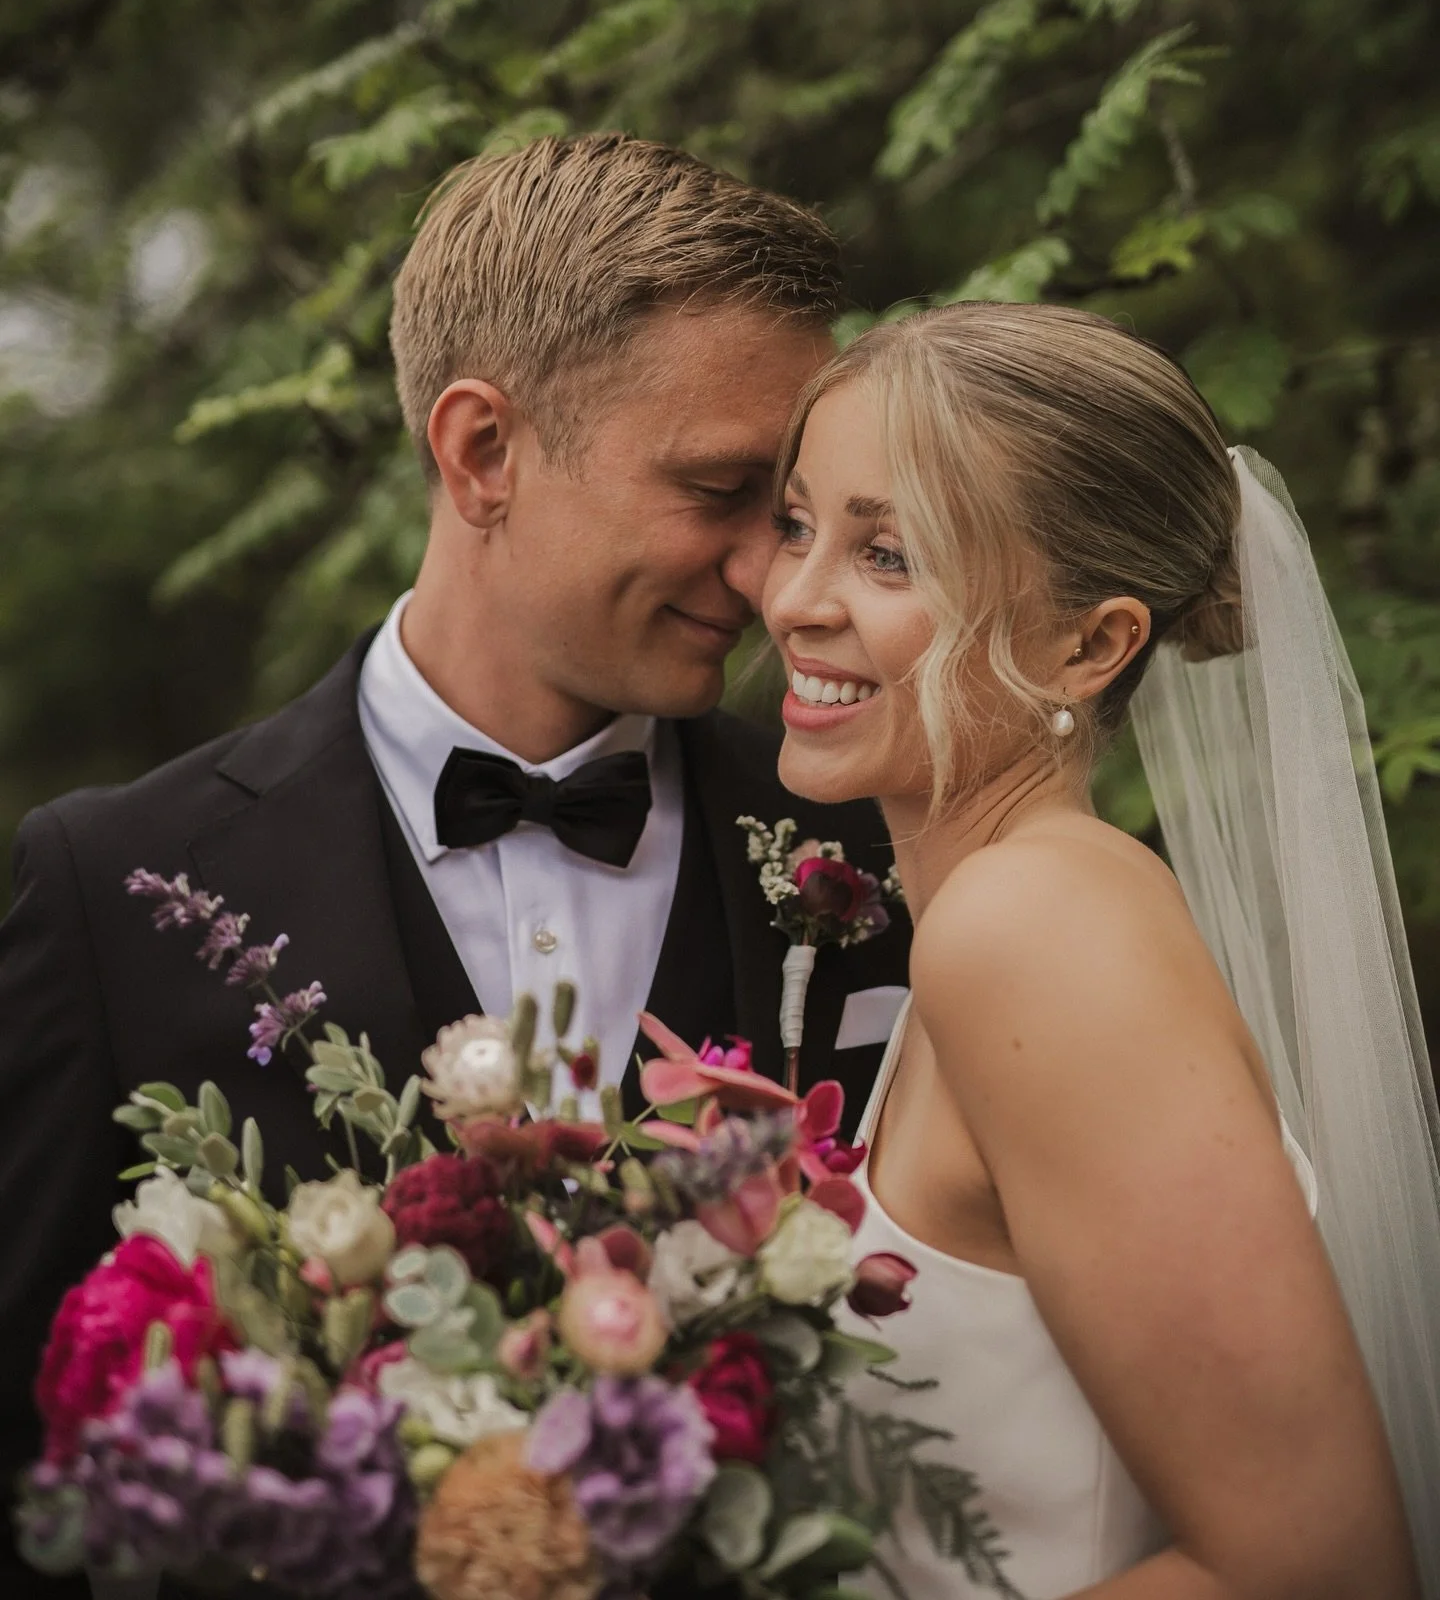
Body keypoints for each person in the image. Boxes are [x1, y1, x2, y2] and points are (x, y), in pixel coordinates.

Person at [0, 134, 911, 1596]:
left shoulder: (874, 858)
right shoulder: (118, 889)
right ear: (483, 451)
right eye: (721, 490)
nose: (771, 576)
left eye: (789, 509)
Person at [764, 301, 1440, 1598]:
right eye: (798, 525)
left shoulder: (1033, 930)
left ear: (1091, 645)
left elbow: (1318, 1569)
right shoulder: (999, 916)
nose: (792, 600)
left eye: (889, 555)